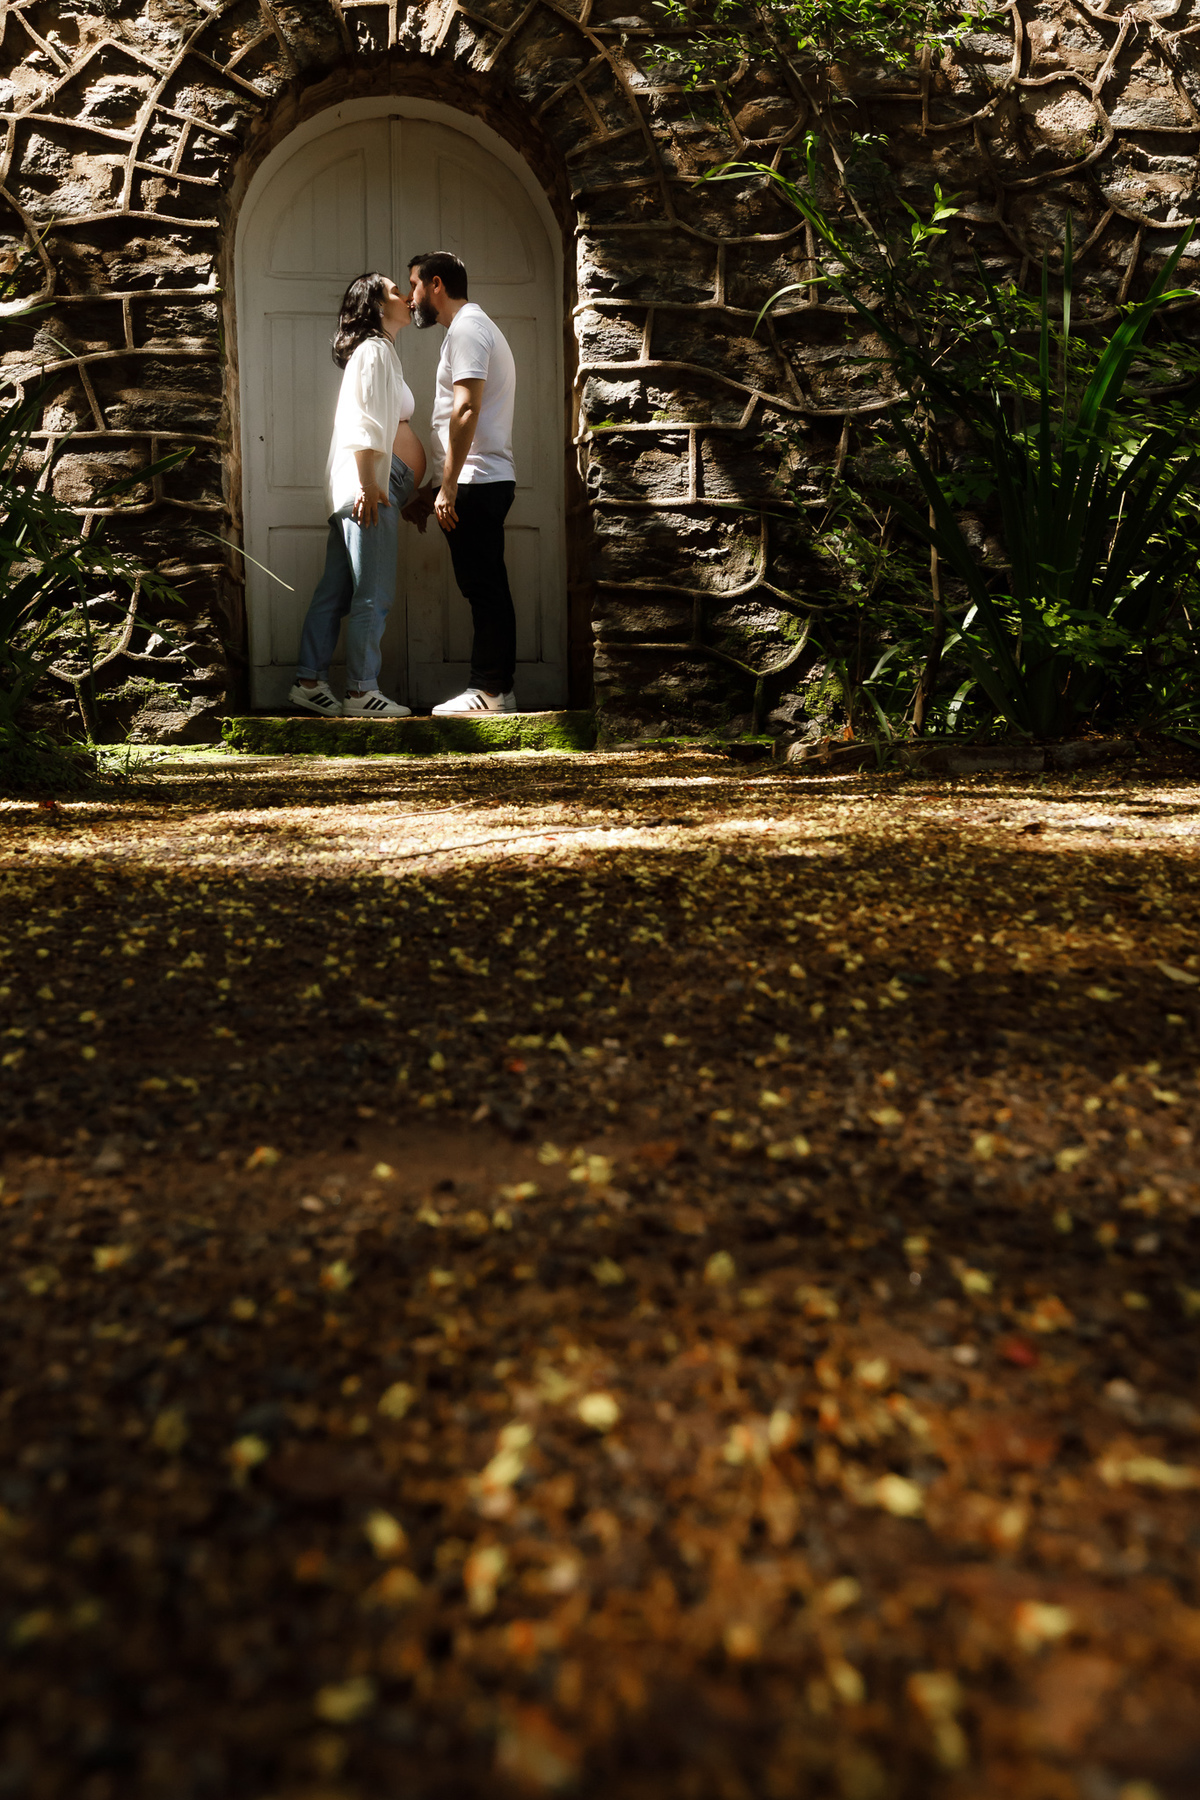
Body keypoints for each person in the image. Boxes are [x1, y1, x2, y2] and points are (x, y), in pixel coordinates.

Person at [289, 272, 426, 718]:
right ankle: (361, 691)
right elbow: (363, 422)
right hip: (370, 489)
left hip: (364, 488)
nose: (405, 297)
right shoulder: (374, 351)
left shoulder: (378, 352)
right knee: (374, 593)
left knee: (336, 591)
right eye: (393, 291)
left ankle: (308, 682)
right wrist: (372, 484)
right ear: (374, 307)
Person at [404, 251, 519, 715]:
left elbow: (466, 411)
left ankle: (489, 691)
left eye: (413, 286)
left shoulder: (468, 328)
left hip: (477, 482)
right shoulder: (467, 329)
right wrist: (435, 489)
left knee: (484, 587)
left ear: (436, 285)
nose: (410, 299)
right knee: (486, 585)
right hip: (474, 480)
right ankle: (498, 689)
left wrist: (448, 487)